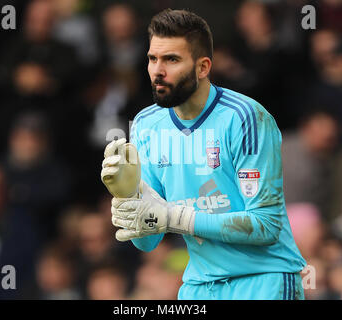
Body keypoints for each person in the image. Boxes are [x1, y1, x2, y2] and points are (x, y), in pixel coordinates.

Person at [101, 9, 306, 300]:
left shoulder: (245, 117)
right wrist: (130, 197)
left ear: (203, 67)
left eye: (172, 59)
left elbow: (266, 226)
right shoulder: (145, 124)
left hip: (263, 280)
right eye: (152, 58)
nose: (158, 70)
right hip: (199, 287)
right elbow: (149, 242)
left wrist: (174, 217)